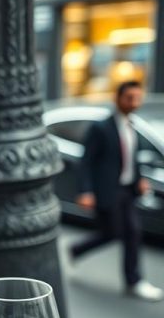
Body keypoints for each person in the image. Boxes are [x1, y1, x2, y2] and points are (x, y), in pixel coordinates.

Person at [70, 81, 163, 302]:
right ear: (118, 98)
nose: (134, 102)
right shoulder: (101, 128)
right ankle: (75, 250)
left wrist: (139, 180)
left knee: (132, 232)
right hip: (107, 192)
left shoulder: (133, 126)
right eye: (129, 97)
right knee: (112, 232)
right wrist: (86, 191)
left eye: (137, 98)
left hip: (128, 191)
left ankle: (134, 281)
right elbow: (86, 162)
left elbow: (132, 159)